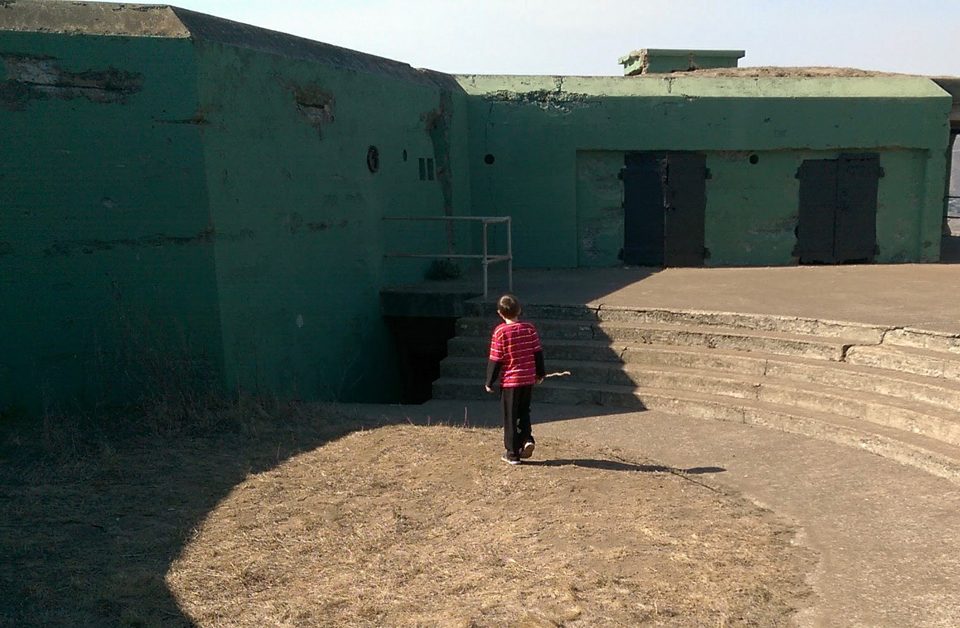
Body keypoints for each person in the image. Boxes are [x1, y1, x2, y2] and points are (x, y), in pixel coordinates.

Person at [484, 294, 545, 465]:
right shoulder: (529, 328)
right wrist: (541, 373)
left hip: (511, 381)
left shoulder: (500, 332)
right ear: (519, 310)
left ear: (500, 313)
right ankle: (526, 439)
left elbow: (496, 359)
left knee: (510, 415)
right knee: (524, 411)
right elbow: (537, 352)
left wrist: (489, 381)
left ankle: (512, 453)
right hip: (528, 379)